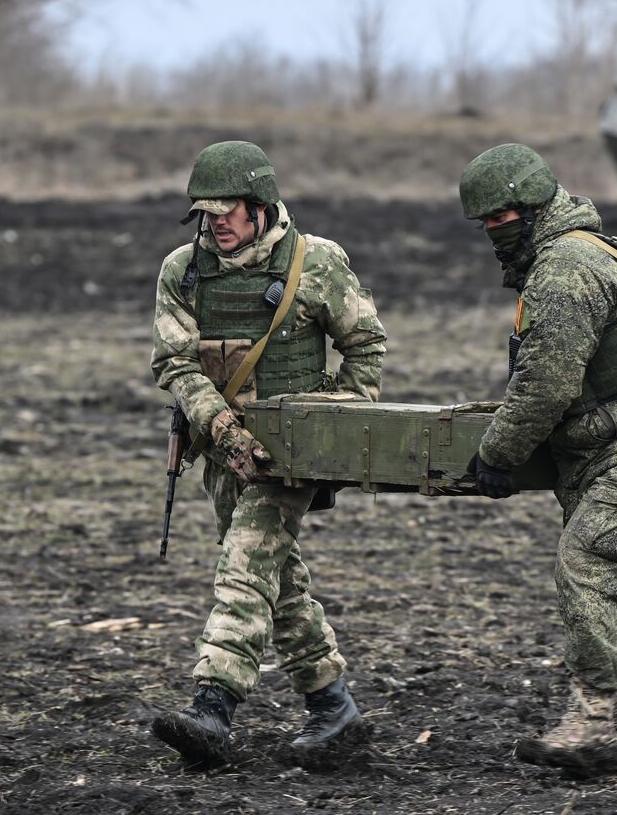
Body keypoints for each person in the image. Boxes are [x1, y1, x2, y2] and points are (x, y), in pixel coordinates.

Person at [459, 143, 617, 774]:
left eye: (501, 218)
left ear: (533, 205)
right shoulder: (583, 251)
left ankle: (594, 714)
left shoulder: (566, 268)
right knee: (615, 581)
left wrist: (497, 453)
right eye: (485, 223)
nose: (494, 233)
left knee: (586, 564)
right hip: (615, 435)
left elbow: (546, 384)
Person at [149, 140, 387, 766]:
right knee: (274, 577)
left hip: (293, 455)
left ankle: (214, 705)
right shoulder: (183, 272)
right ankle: (332, 703)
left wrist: (333, 423)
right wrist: (223, 431)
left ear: (260, 206)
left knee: (246, 563)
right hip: (223, 452)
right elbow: (174, 361)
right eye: (205, 212)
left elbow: (365, 346)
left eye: (227, 210)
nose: (215, 222)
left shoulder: (318, 264)